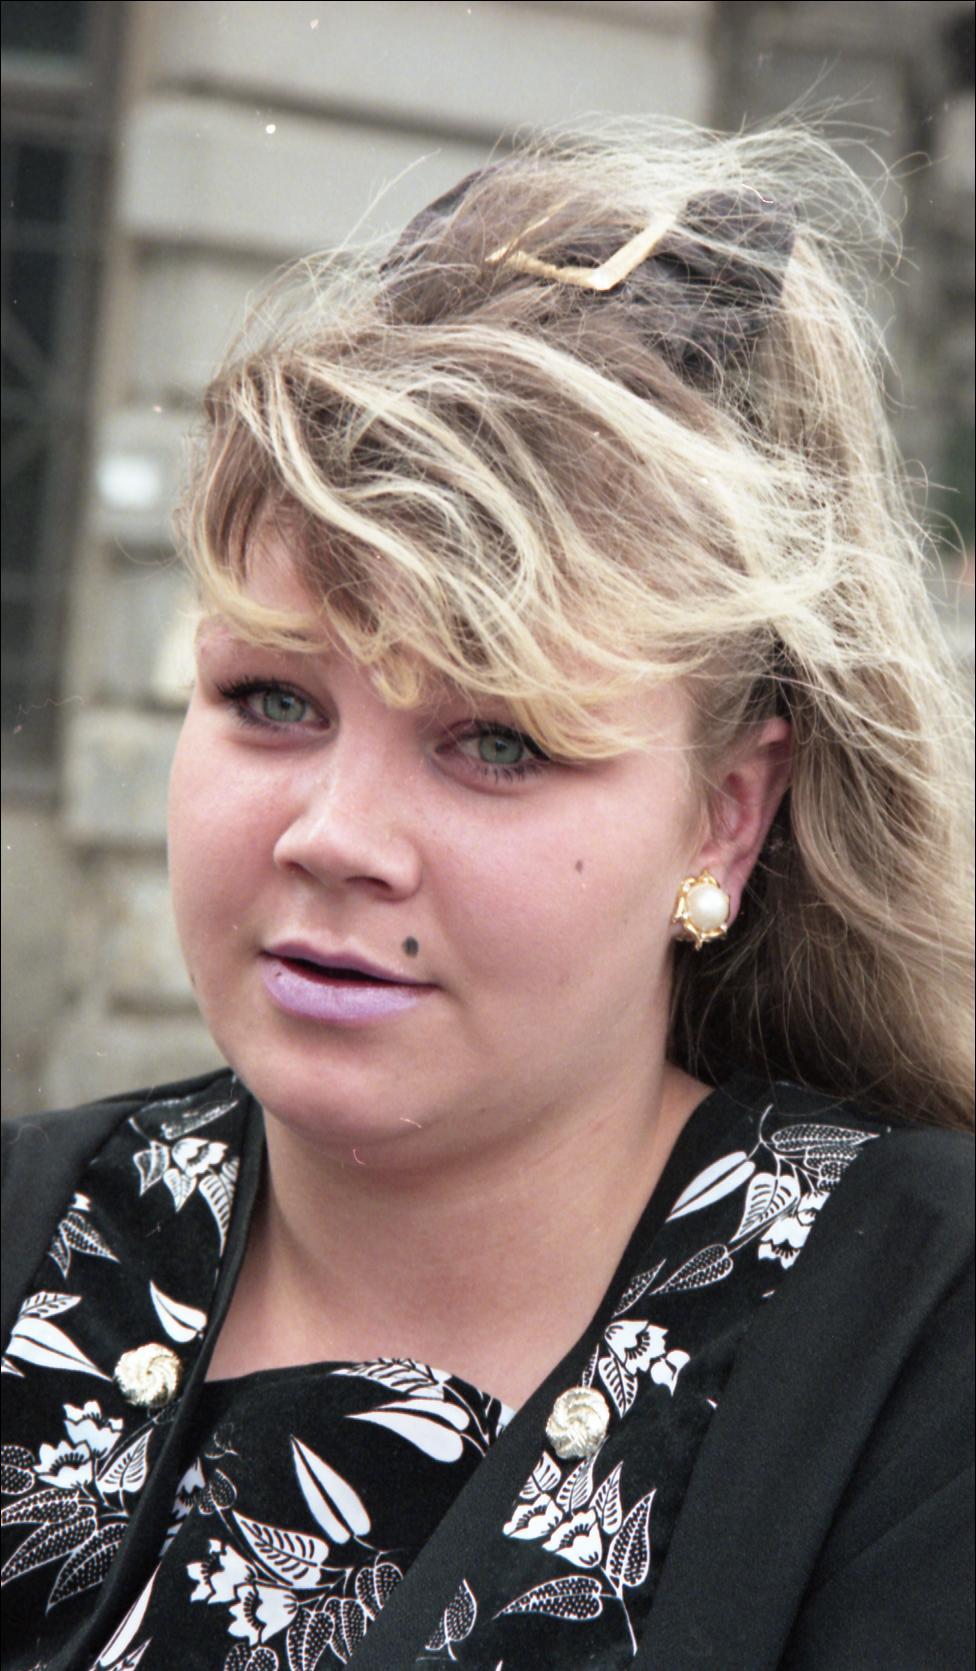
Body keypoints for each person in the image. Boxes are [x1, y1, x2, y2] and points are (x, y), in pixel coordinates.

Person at [2, 119, 972, 1671]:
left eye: (498, 742)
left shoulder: (916, 1345)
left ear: (725, 818)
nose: (337, 836)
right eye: (271, 701)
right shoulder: (29, 1231)